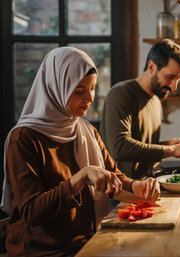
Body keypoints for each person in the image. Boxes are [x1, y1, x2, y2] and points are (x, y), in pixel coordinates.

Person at [1, 47, 160, 256]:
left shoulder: (85, 130)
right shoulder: (23, 139)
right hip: (42, 251)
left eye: (93, 88)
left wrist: (137, 186)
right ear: (55, 87)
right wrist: (81, 177)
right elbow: (32, 211)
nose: (90, 97)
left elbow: (113, 176)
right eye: (79, 91)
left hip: (85, 243)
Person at [100, 39, 180, 179]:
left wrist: (167, 144)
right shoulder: (121, 94)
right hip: (118, 192)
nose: (174, 87)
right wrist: (172, 150)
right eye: (170, 77)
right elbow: (120, 147)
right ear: (151, 67)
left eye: (178, 79)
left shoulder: (156, 99)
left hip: (144, 185)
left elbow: (142, 148)